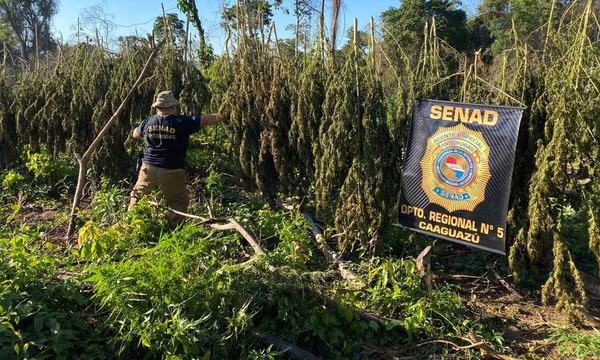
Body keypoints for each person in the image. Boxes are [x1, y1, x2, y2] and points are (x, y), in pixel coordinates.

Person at [129, 90, 221, 225]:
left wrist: (149, 129)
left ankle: (131, 227)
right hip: (171, 171)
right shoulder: (181, 122)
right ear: (173, 107)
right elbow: (206, 119)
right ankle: (173, 230)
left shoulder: (148, 121)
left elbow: (135, 134)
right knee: (178, 203)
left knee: (137, 198)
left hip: (147, 169)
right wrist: (226, 114)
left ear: (157, 108)